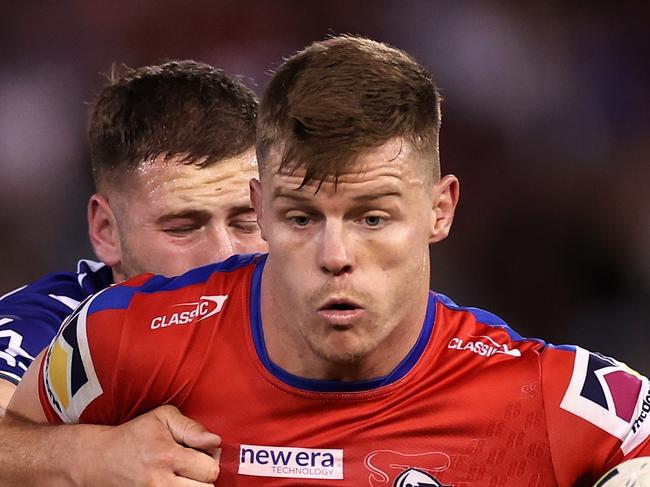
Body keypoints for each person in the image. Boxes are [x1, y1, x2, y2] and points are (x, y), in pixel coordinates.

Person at [10, 36, 650, 486]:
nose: (336, 256)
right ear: (262, 208)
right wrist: (81, 460)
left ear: (439, 209)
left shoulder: (546, 400)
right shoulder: (121, 338)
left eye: (373, 217)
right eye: (301, 217)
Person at [1, 60, 267, 486]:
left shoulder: (320, 299)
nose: (225, 254)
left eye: (247, 220)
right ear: (106, 231)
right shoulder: (53, 322)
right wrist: (91, 457)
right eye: (183, 227)